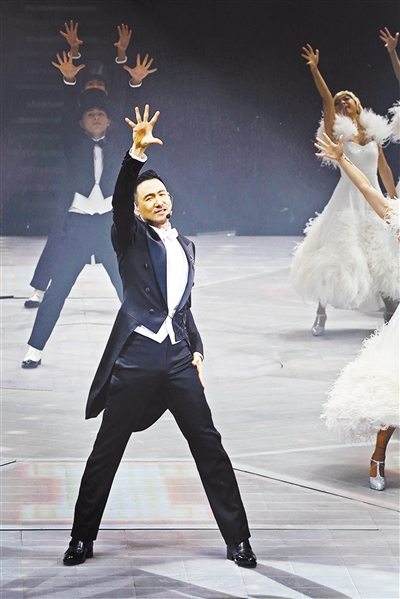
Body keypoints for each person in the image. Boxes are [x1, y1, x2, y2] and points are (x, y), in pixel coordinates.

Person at [62, 105, 257, 568]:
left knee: (209, 447)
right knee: (107, 450)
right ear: (136, 207)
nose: (159, 200)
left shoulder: (186, 246)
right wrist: (134, 154)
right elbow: (119, 198)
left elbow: (182, 308)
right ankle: (81, 537)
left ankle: (239, 540)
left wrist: (197, 351)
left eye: (163, 194)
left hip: (178, 360)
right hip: (136, 359)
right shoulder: (129, 236)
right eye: (148, 197)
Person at [24, 21, 157, 309]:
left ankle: (134, 300)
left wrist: (123, 60)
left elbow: (123, 96)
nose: (96, 88)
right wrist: (73, 56)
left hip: (106, 192)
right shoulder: (79, 111)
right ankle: (40, 288)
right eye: (91, 85)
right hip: (78, 184)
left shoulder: (110, 112)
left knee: (121, 246)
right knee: (58, 238)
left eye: (100, 85)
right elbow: (69, 103)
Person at [290, 45, 399, 335]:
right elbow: (326, 99)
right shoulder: (337, 133)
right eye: (339, 101)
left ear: (357, 104)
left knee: (381, 252)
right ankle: (321, 313)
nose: (341, 102)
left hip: (373, 197)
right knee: (336, 253)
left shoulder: (372, 134)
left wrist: (394, 200)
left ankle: (390, 311)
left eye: (346, 98)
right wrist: (315, 69)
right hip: (348, 198)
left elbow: (384, 170)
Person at [315, 132, 399, 491]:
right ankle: (378, 456)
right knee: (393, 391)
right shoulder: (397, 216)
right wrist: (342, 158)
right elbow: (367, 188)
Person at [21, 88, 125, 368]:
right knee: (57, 291)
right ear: (80, 122)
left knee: (126, 287)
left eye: (101, 114)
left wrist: (135, 84)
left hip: (109, 226)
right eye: (90, 114)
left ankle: (150, 345)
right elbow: (66, 117)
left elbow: (130, 113)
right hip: (77, 226)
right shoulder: (73, 142)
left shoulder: (117, 145)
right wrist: (68, 82)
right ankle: (34, 348)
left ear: (109, 121)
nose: (96, 117)